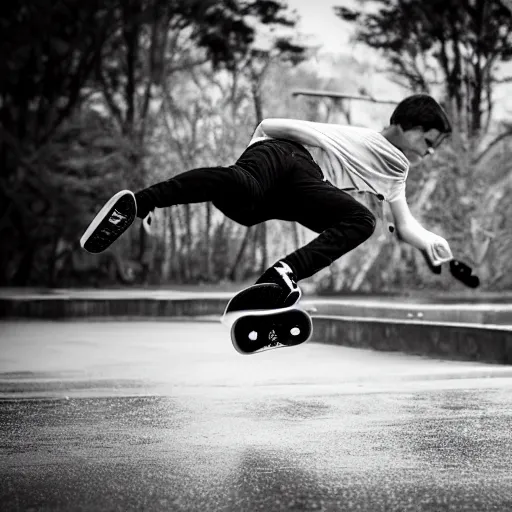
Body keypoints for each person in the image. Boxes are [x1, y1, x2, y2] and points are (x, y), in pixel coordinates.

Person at [81, 93, 454, 306]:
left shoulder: (393, 173)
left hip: (302, 180)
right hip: (282, 152)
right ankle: (141, 202)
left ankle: (282, 274)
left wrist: (430, 243)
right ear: (408, 128)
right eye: (428, 143)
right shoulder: (386, 154)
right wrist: (262, 135)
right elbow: (403, 222)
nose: (430, 153)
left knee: (352, 220)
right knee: (244, 187)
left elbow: (403, 225)